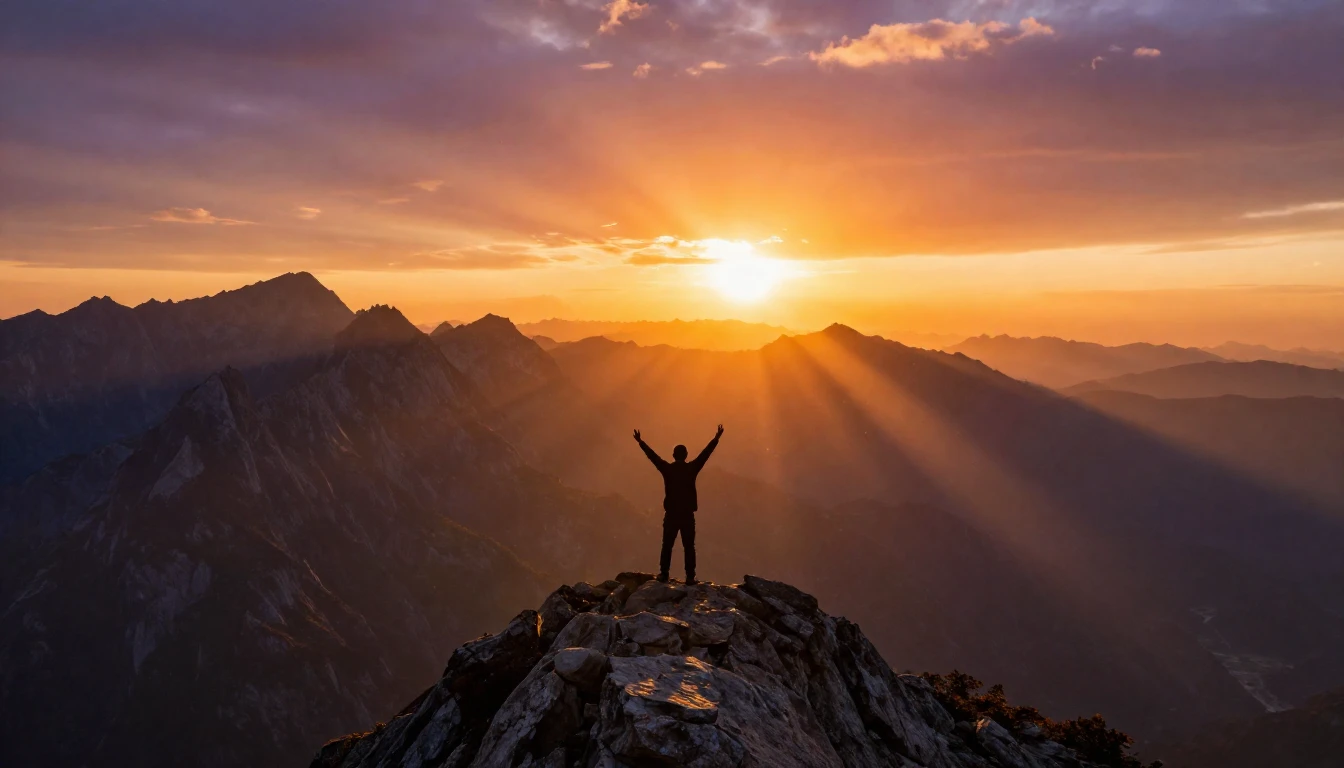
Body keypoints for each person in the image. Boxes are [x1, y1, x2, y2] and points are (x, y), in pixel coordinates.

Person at [633, 424, 723, 584]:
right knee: (689, 546)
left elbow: (652, 457)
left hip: (672, 515)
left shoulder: (667, 469)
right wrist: (716, 438)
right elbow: (705, 455)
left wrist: (641, 442)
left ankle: (664, 574)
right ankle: (690, 577)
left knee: (667, 545)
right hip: (687, 515)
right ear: (686, 455)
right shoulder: (691, 469)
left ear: (673, 455)